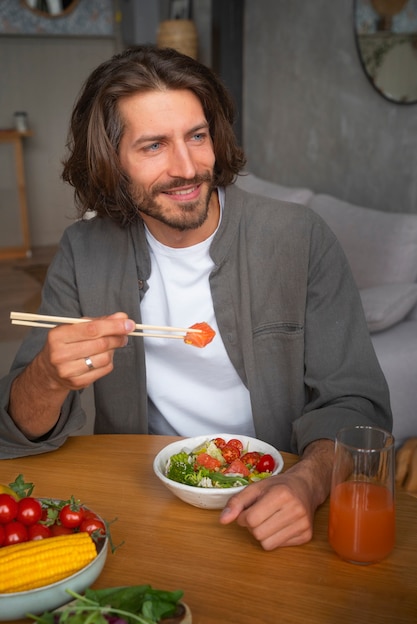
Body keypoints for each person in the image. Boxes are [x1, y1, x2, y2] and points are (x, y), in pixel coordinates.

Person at [0, 45, 392, 550]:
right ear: (110, 162)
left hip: (272, 502)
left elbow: (356, 402)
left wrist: (308, 481)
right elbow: (17, 431)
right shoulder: (84, 251)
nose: (186, 168)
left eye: (197, 136)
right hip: (145, 502)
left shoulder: (298, 238)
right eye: (153, 146)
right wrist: (48, 377)